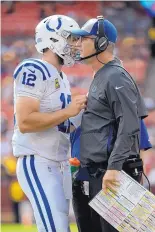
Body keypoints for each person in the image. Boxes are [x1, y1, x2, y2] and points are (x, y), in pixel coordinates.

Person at [70, 16, 148, 232]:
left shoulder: (115, 76)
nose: (78, 44)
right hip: (100, 172)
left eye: (84, 39)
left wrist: (114, 169)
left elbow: (130, 124)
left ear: (101, 43)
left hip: (114, 173)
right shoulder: (102, 75)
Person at [12, 15, 87, 232]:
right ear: (54, 40)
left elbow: (61, 122)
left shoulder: (61, 77)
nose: (76, 44)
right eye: (71, 39)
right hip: (38, 159)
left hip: (59, 162)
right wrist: (69, 111)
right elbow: (25, 121)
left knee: (61, 227)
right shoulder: (34, 68)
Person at [70, 120, 152, 232]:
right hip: (80, 177)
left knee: (120, 227)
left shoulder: (122, 104)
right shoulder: (77, 109)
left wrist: (140, 176)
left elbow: (141, 145)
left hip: (112, 176)